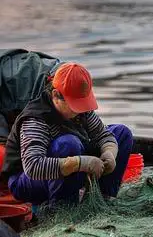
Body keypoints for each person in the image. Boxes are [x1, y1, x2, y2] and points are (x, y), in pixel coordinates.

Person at [0, 62, 133, 207]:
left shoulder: (82, 110)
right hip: (26, 180)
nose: (80, 110)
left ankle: (103, 199)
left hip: (70, 162)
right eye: (75, 105)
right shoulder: (36, 120)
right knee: (68, 143)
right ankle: (63, 208)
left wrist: (109, 153)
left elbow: (102, 134)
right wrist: (79, 163)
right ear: (56, 95)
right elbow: (33, 167)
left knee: (122, 133)